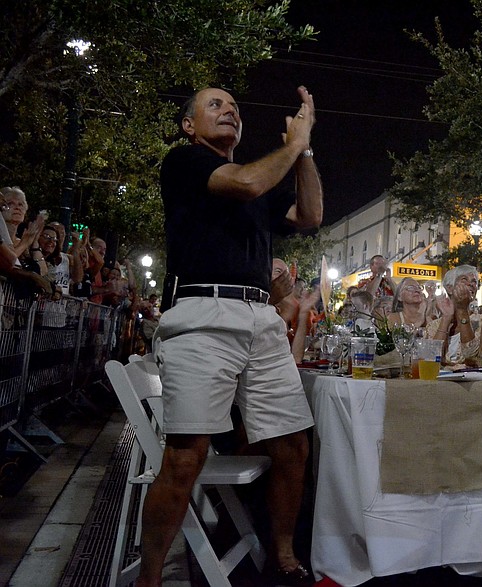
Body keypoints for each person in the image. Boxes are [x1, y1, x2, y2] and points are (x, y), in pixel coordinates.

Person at [139, 86, 322, 587]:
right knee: (185, 457)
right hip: (200, 314)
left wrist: (304, 150)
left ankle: (283, 553)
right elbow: (243, 182)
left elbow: (310, 216)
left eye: (235, 107)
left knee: (293, 447)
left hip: (260, 319)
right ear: (189, 126)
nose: (231, 111)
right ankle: (149, 578)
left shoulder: (259, 185)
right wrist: (291, 144)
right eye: (215, 105)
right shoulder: (187, 164)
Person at [426, 265, 482, 367]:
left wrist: (462, 310)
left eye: (474, 281)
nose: (471, 284)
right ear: (450, 288)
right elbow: (431, 358)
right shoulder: (434, 325)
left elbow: (471, 355)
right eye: (464, 279)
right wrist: (446, 318)